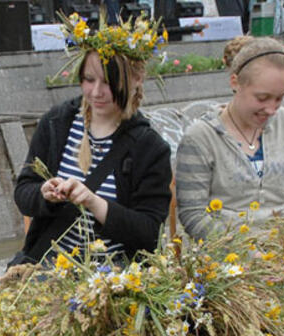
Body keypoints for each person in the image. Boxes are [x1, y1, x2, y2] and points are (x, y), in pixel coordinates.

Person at [12, 13, 172, 265]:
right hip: (48, 267)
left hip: (115, 276)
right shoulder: (57, 123)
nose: (95, 92)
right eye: (88, 80)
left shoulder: (150, 147)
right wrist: (44, 194)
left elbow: (149, 233)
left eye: (108, 82)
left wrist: (94, 203)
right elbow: (23, 192)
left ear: (136, 78)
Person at [176, 37, 284, 264]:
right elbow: (192, 214)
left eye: (280, 98)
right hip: (226, 263)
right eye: (262, 98)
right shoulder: (200, 137)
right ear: (235, 82)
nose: (272, 109)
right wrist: (243, 253)